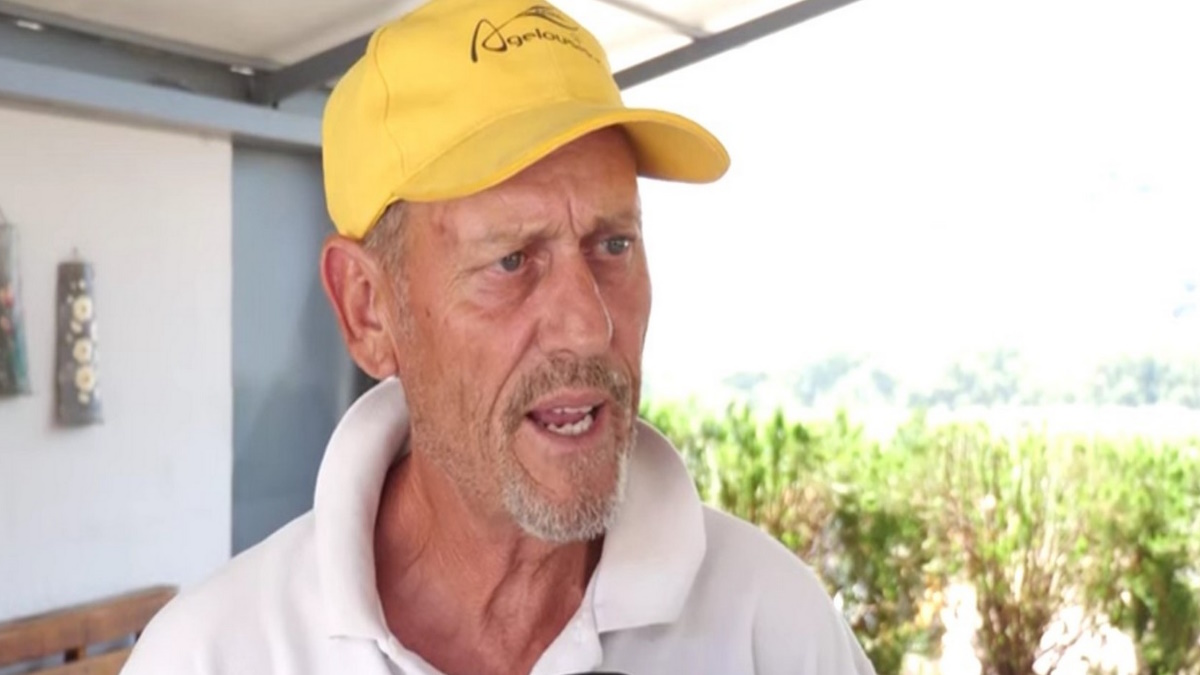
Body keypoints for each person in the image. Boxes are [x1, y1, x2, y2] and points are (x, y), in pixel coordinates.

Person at [122, 0, 877, 673]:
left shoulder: (772, 629)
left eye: (614, 244)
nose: (589, 325)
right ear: (369, 310)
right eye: (512, 260)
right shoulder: (211, 655)